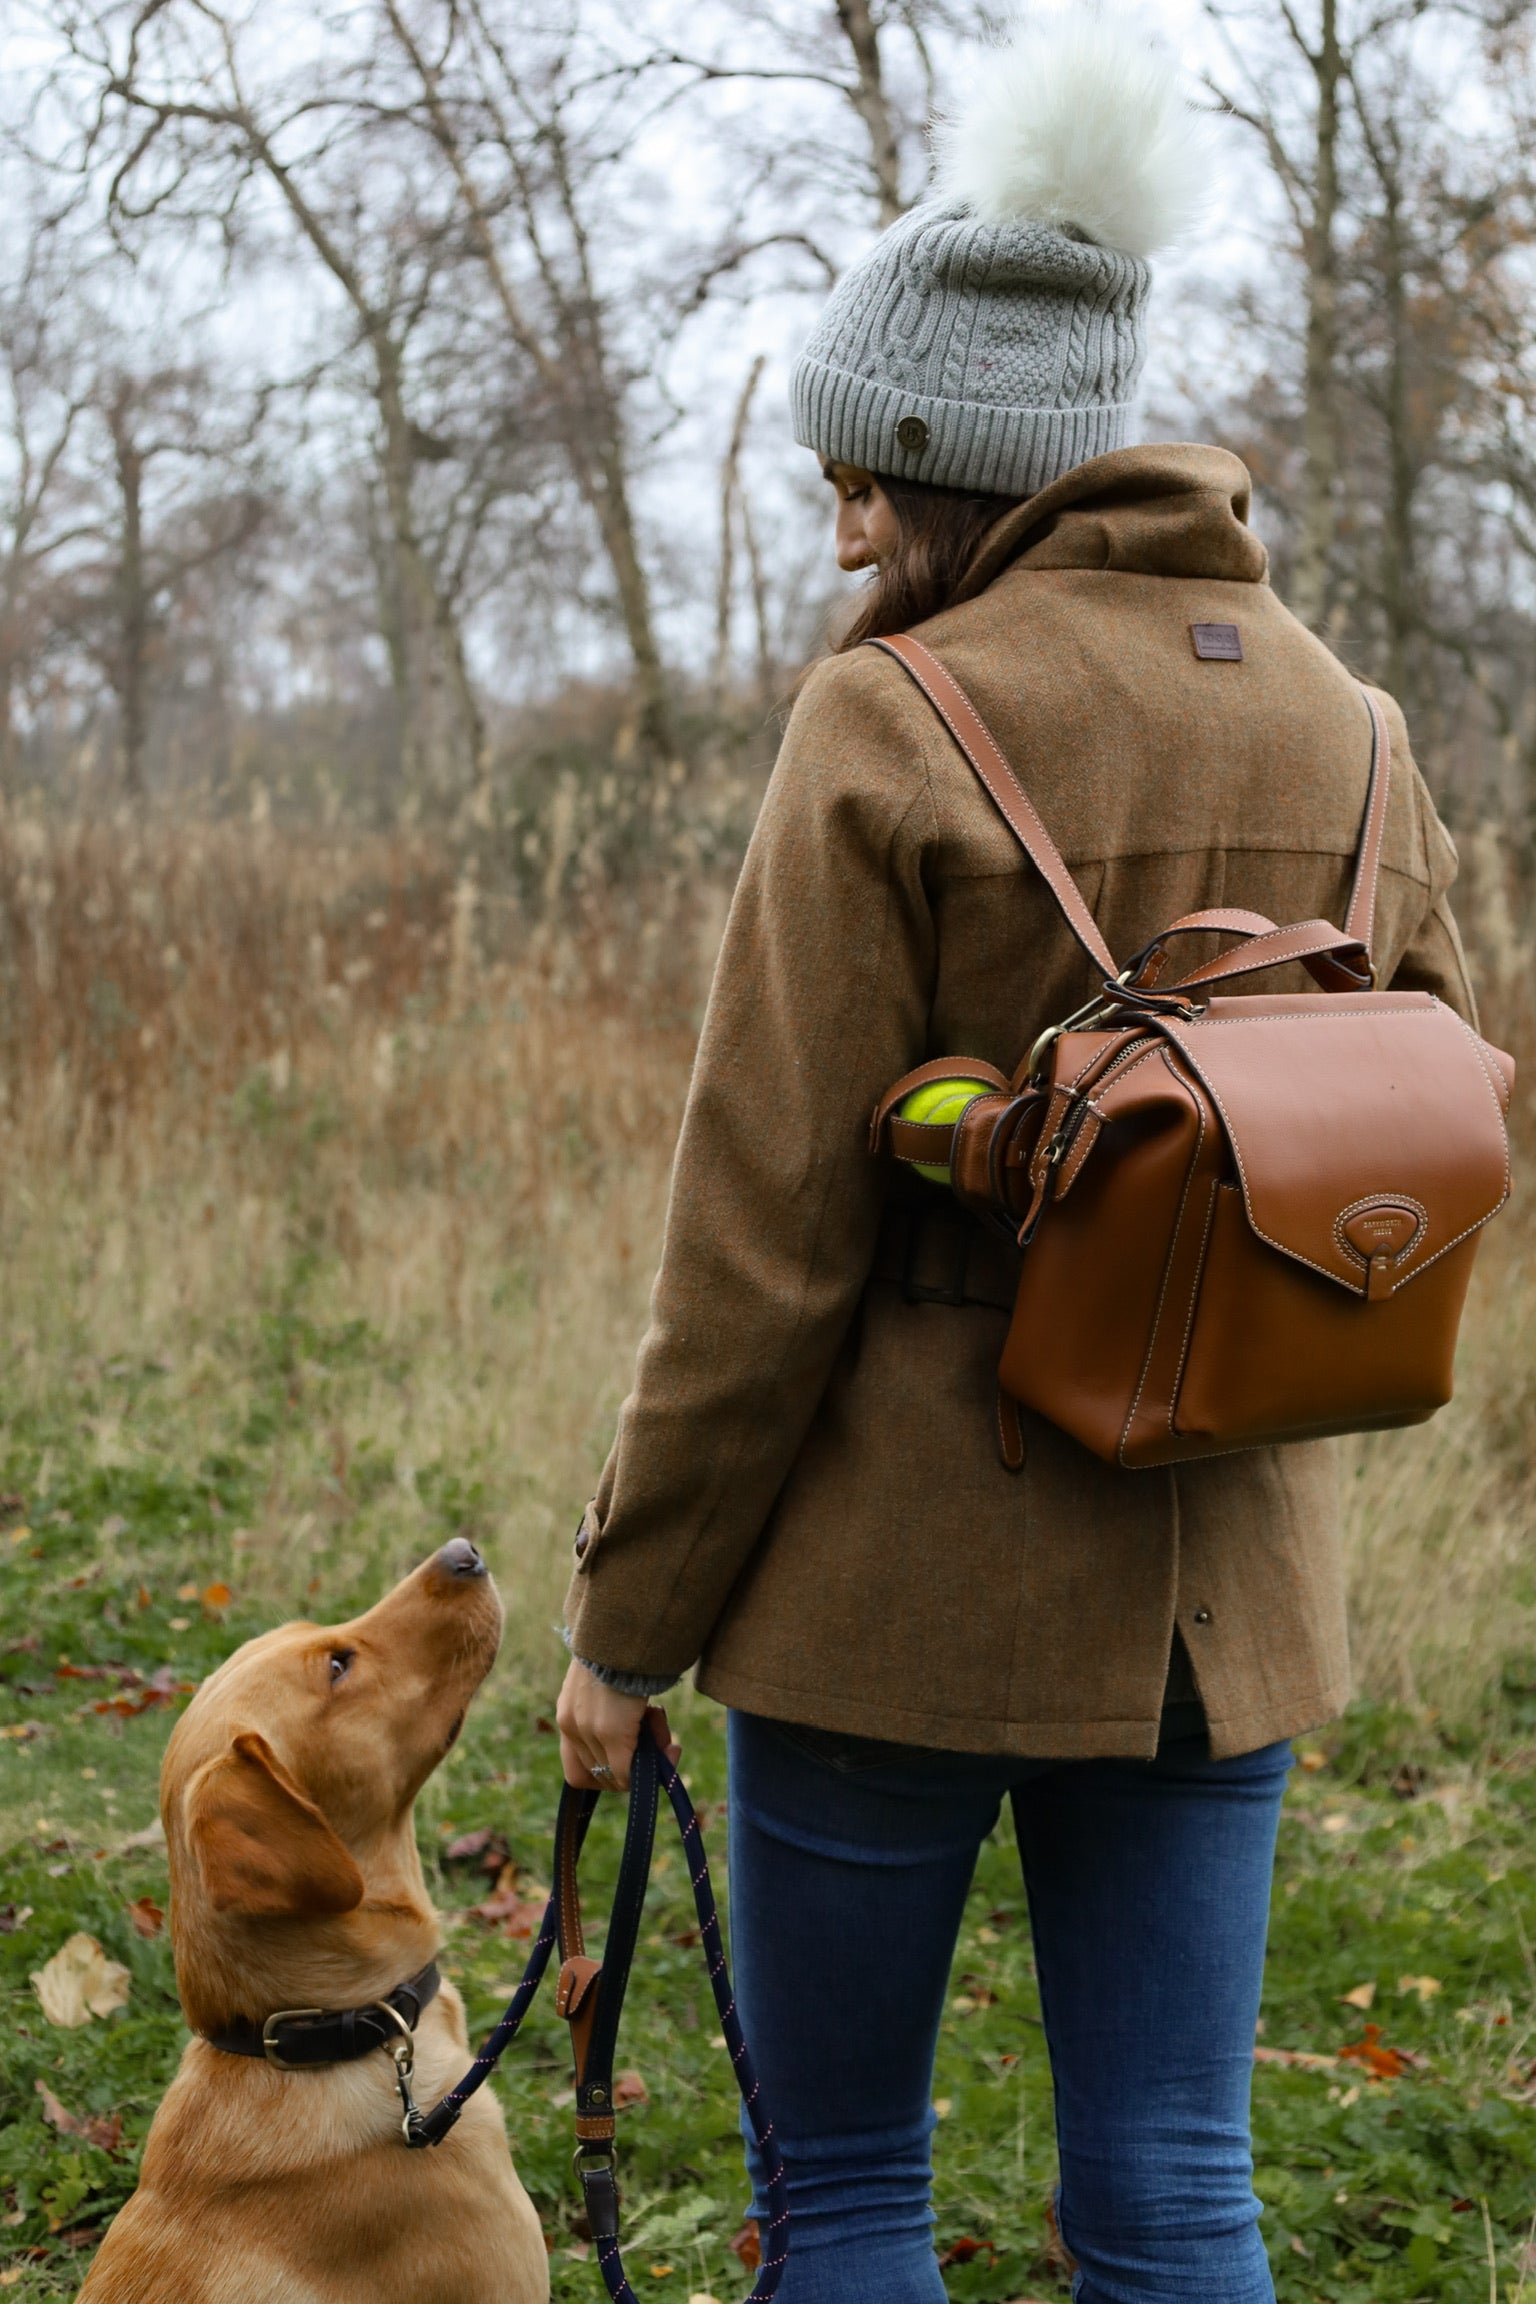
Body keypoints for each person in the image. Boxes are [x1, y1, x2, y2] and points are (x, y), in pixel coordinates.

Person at [556, 19, 1475, 2304]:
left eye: (868, 476)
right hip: (1218, 1593)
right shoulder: (1352, 724)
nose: (847, 525)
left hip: (893, 1595)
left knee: (850, 2182)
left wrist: (627, 1624)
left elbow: (759, 1240)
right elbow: (1449, 1110)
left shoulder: (892, 715)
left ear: (971, 466)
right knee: (1178, 2184)